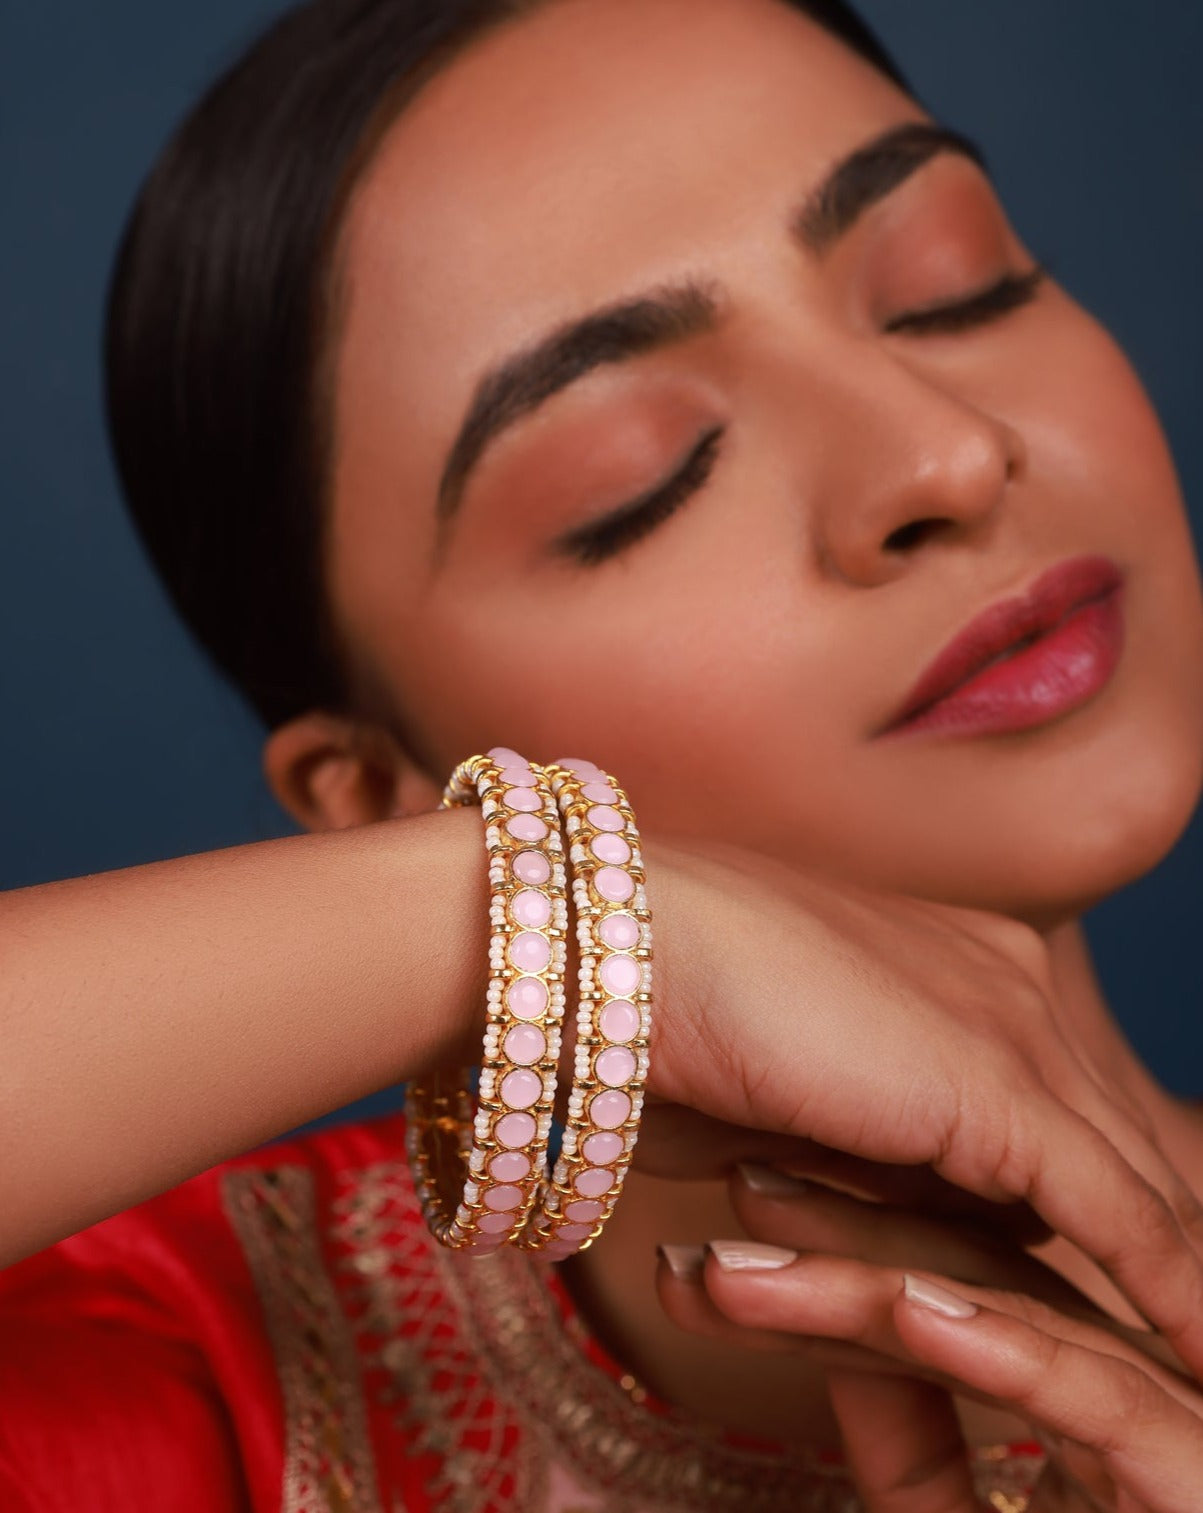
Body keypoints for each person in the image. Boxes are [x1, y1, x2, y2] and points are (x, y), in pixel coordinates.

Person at [3, 0, 1203, 1506]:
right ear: (376, 802)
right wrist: (545, 910)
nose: (945, 453)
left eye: (951, 289)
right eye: (644, 477)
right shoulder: (193, 1373)